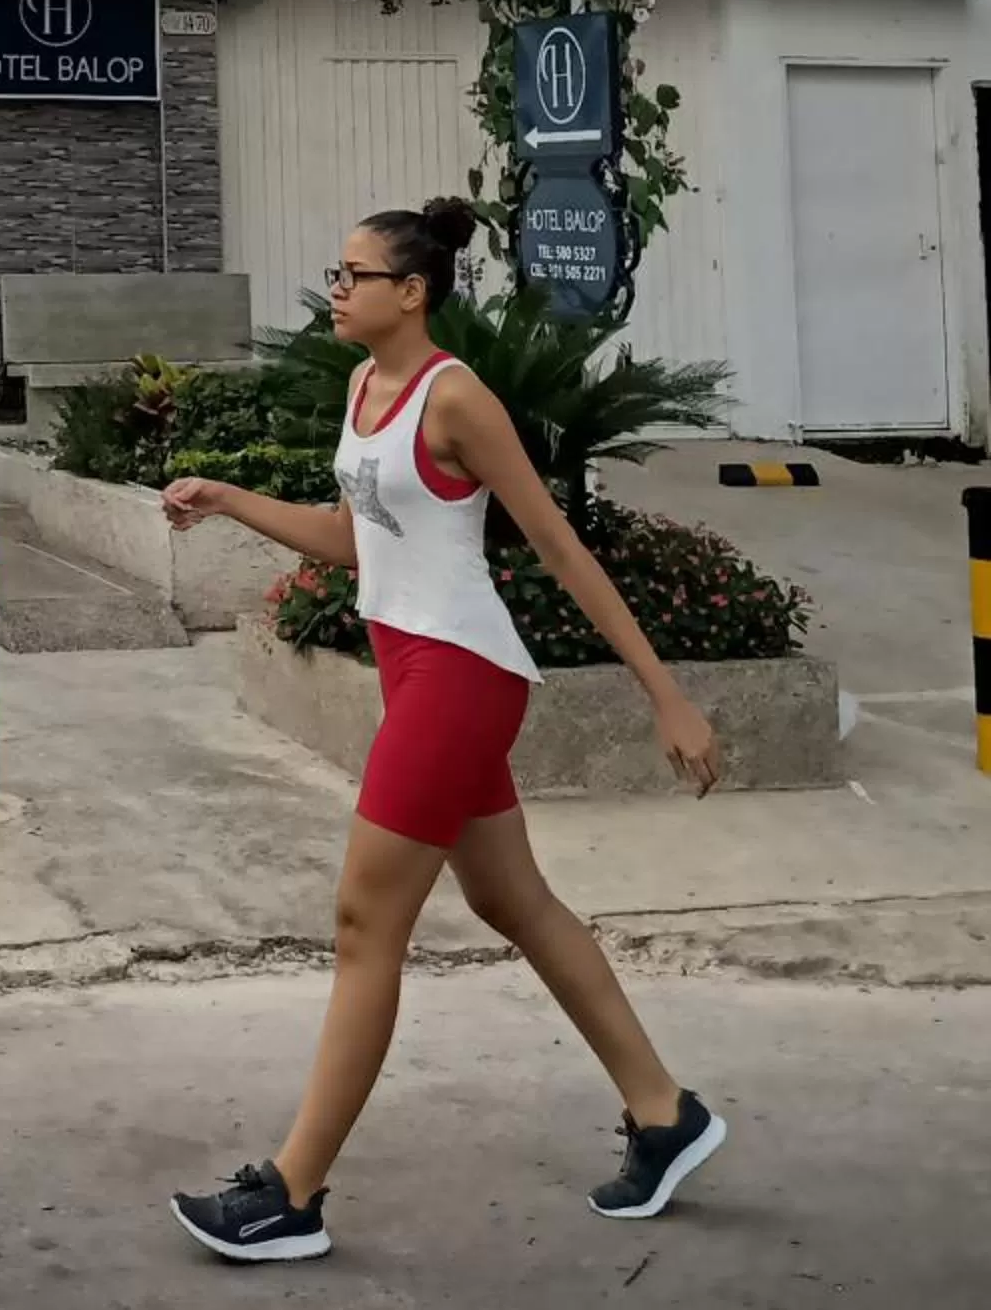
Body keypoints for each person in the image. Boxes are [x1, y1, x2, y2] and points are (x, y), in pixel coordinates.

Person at [159, 197, 727, 1266]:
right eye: (336, 273)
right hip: (417, 666)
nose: (335, 291)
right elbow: (358, 538)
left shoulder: (454, 398)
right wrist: (230, 498)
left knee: (366, 922)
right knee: (515, 901)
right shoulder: (367, 387)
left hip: (462, 676)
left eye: (352, 276)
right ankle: (665, 1114)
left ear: (411, 292)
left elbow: (558, 546)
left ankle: (292, 1191)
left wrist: (667, 694)